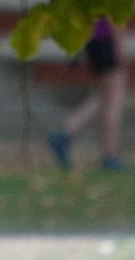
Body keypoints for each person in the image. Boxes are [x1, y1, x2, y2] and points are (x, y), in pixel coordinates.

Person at [48, 17, 129, 171]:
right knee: (114, 99)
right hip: (107, 41)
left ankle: (65, 135)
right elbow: (114, 17)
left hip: (93, 41)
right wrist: (121, 45)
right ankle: (109, 155)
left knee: (102, 98)